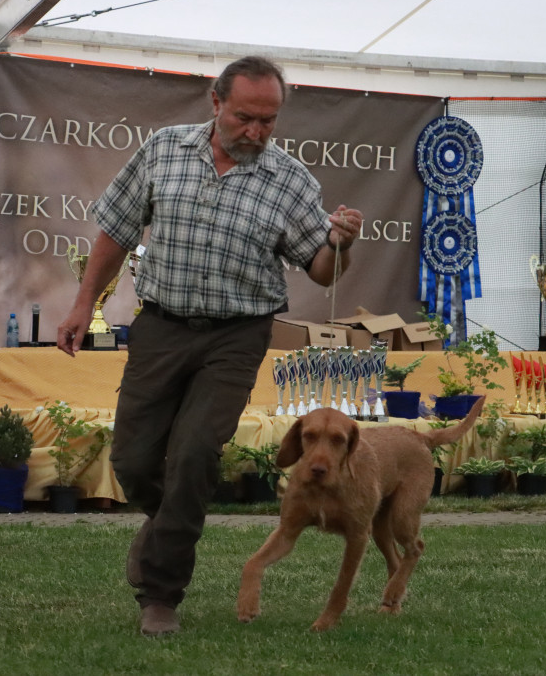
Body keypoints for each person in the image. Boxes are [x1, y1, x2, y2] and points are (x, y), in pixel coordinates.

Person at [57, 56, 363, 637]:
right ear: (215, 103)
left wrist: (342, 242)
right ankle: (162, 525)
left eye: (268, 121)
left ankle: (161, 595)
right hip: (162, 327)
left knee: (196, 454)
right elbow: (116, 230)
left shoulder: (290, 180)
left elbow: (321, 271)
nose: (257, 132)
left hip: (236, 335)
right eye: (246, 117)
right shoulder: (163, 150)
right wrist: (82, 305)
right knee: (132, 460)